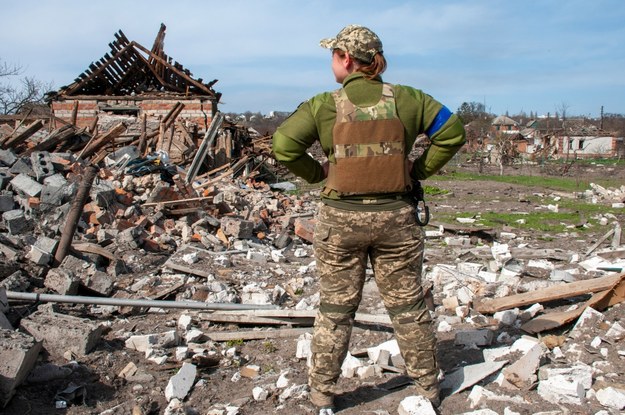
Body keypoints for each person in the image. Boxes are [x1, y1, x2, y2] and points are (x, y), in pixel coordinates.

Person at [272, 24, 466, 414]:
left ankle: (323, 393)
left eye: (333, 55)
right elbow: (453, 132)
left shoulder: (324, 104)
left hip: (340, 223)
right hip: (397, 220)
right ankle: (429, 387)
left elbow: (283, 145)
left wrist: (319, 174)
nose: (331, 62)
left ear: (345, 58)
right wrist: (417, 170)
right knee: (409, 306)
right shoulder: (411, 99)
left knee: (336, 309)